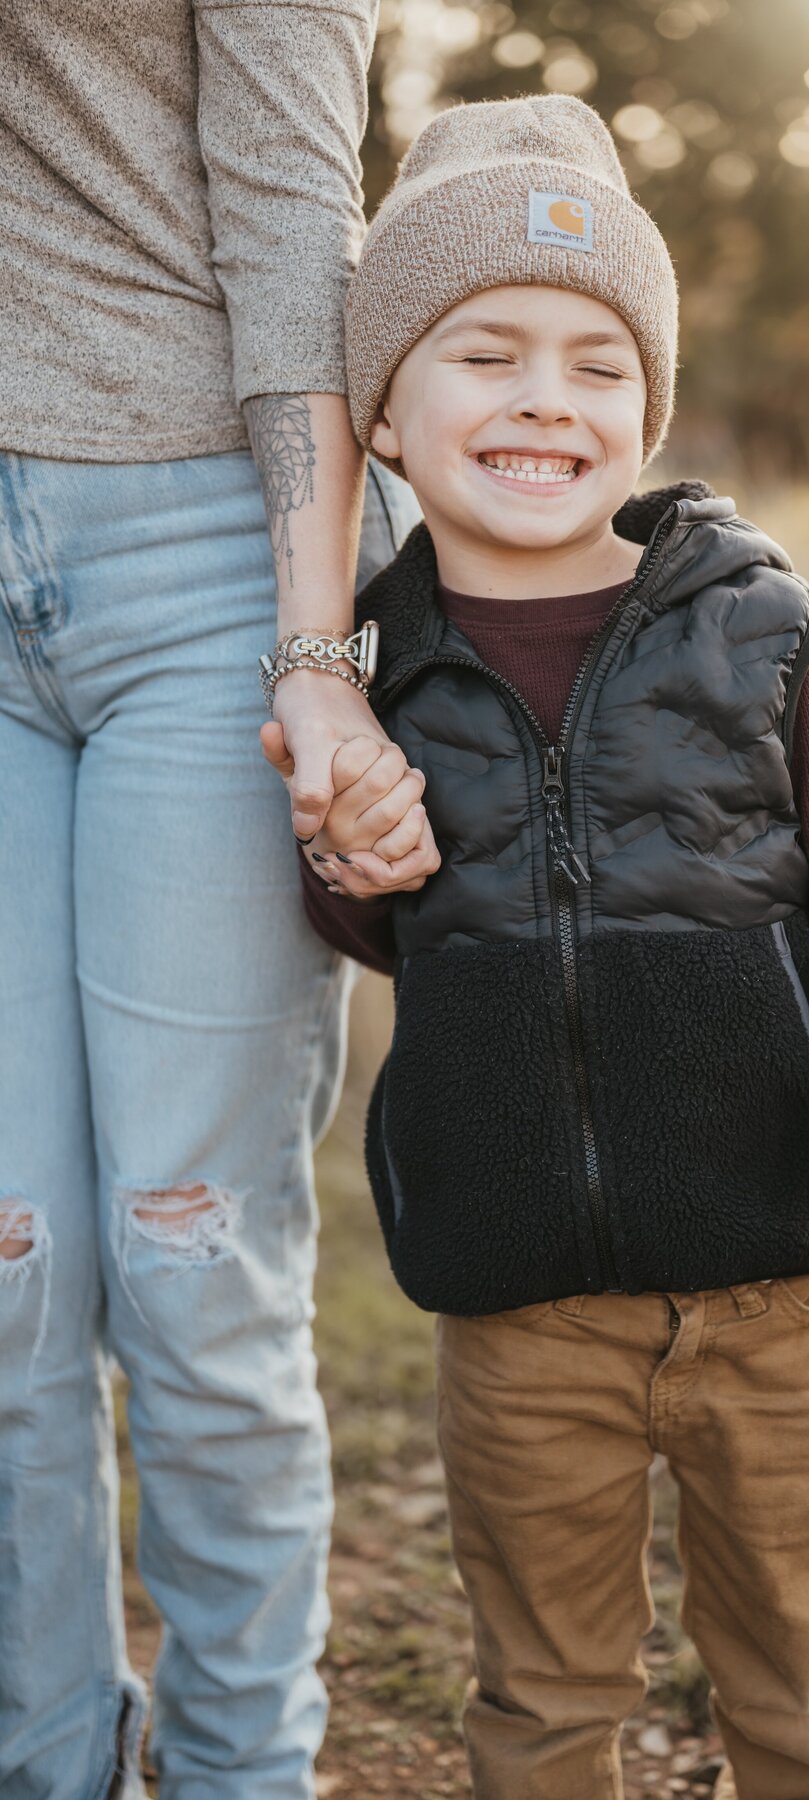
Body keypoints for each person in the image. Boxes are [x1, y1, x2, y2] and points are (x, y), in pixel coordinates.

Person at [288, 95, 809, 1800]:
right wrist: (340, 837)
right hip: (518, 1307)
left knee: (801, 1686)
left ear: (647, 407)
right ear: (381, 412)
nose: (545, 399)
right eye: (486, 353)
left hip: (776, 1288)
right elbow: (372, 932)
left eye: (600, 364)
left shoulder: (754, 625)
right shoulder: (367, 668)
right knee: (542, 1697)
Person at [0, 4, 434, 1796]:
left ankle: (247, 1773)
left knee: (191, 1260)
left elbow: (285, 216)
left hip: (204, 562)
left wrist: (317, 647)